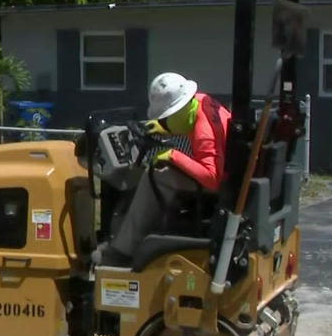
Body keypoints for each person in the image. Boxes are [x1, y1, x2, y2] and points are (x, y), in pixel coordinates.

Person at [93, 72, 231, 266]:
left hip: (218, 185)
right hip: (228, 176)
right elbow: (185, 121)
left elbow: (212, 177)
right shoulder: (201, 102)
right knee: (161, 170)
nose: (166, 119)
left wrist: (173, 156)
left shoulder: (204, 132)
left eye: (167, 116)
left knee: (156, 175)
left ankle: (121, 251)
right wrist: (163, 126)